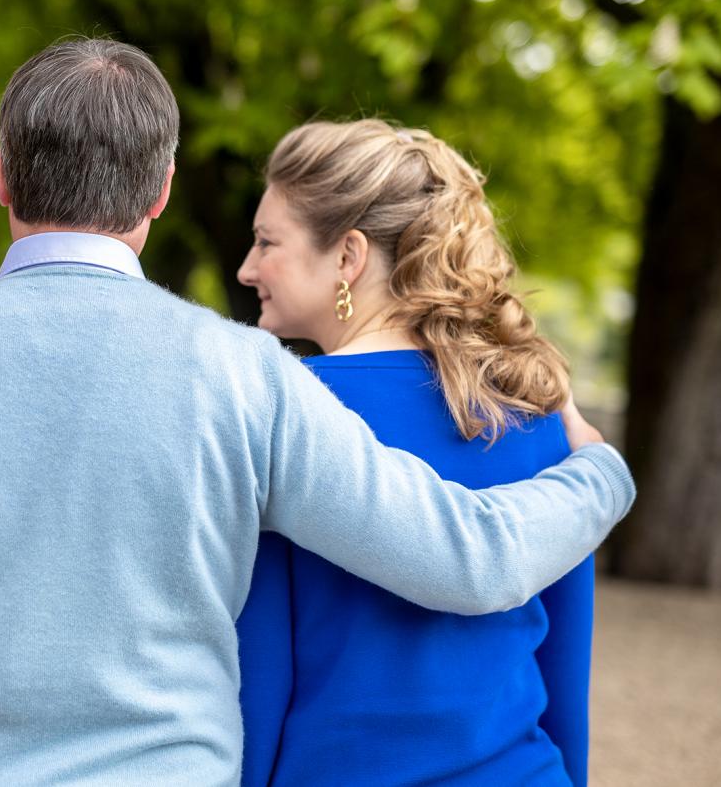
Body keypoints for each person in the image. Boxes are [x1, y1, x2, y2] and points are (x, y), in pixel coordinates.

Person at [0, 39, 635, 786]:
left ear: (0, 177)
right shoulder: (243, 373)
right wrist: (599, 473)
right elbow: (467, 558)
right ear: (162, 188)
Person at [235, 119, 595, 786]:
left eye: (265, 242)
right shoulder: (536, 412)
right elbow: (565, 657)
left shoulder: (283, 416)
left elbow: (260, 676)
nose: (247, 267)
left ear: (347, 257)